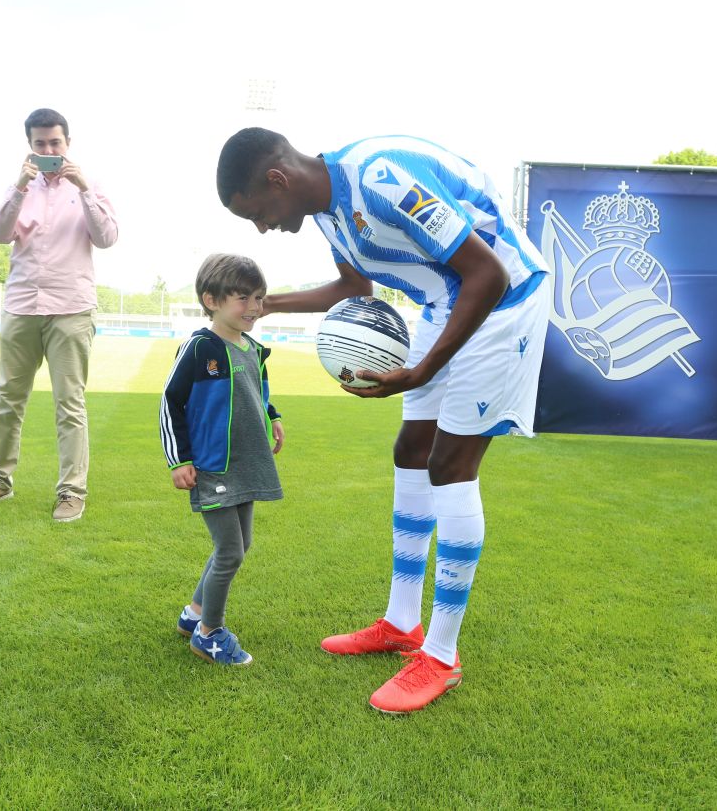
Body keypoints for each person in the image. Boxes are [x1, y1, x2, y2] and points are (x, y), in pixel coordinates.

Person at [216, 129, 551, 713]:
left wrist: (422, 371)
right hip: (447, 302)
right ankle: (401, 624)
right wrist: (266, 305)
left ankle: (441, 657)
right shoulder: (326, 213)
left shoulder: (380, 179)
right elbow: (354, 287)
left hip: (504, 302)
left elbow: (488, 273)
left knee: (450, 464)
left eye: (259, 213)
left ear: (278, 179)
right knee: (410, 450)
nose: (264, 227)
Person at [0, 108, 119, 523]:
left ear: (67, 143)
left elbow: (106, 238)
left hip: (71, 308)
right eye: (40, 144)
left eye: (55, 143)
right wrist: (19, 186)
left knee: (70, 404)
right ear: (30, 147)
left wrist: (84, 188)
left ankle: (72, 492)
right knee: (7, 401)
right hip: (22, 307)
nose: (48, 150)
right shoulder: (21, 188)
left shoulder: (88, 187)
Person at [159, 254, 285, 666]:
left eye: (259, 298)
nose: (254, 307)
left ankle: (193, 614)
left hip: (249, 460)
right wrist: (179, 460)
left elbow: (256, 391)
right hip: (213, 464)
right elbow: (170, 401)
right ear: (211, 300)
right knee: (229, 550)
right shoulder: (200, 348)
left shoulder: (251, 347)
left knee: (242, 543)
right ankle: (209, 633)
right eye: (243, 297)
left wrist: (273, 416)